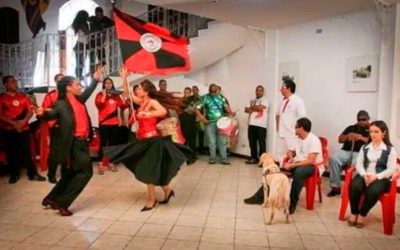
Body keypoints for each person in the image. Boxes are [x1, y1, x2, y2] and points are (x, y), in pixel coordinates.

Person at [104, 67, 192, 212]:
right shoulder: (141, 101)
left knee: (148, 170)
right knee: (149, 169)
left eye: (139, 88)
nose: (137, 91)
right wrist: (124, 78)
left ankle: (151, 200)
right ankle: (167, 191)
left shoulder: (151, 102)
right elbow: (127, 94)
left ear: (146, 91)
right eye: (137, 89)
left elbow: (163, 111)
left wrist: (148, 114)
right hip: (143, 141)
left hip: (153, 141)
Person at [36, 65, 104, 216]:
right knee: (86, 173)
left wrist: (96, 78)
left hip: (82, 142)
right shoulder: (60, 104)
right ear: (68, 88)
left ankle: (51, 198)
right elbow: (51, 114)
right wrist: (41, 114)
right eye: (77, 84)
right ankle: (63, 203)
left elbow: (89, 90)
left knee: (72, 172)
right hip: (75, 143)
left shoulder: (80, 100)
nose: (80, 87)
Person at [244, 118, 322, 215]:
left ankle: (291, 203)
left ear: (301, 128)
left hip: (311, 167)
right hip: (298, 163)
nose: (295, 130)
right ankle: (259, 197)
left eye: (296, 127)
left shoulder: (313, 140)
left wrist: (293, 165)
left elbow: (311, 160)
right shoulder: (298, 139)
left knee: (299, 173)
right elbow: (291, 151)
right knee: (273, 171)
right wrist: (290, 155)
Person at [348, 120, 397, 228]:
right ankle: (354, 212)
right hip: (365, 174)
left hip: (381, 178)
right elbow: (359, 164)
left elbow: (392, 169)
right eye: (371, 132)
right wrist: (364, 174)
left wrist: (376, 176)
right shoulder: (365, 147)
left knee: (373, 191)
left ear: (383, 133)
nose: (373, 134)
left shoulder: (390, 150)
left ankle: (362, 213)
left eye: (376, 132)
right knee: (354, 186)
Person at [0, 75, 46, 184]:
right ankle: (14, 174)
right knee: (12, 153)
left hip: (24, 128)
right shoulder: (2, 98)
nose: (15, 84)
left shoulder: (23, 96)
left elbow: (30, 111)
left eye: (15, 81)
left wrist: (23, 122)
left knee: (27, 152)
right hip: (9, 129)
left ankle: (32, 174)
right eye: (12, 82)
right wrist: (13, 124)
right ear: (6, 84)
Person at [327, 110, 370, 197]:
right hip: (346, 151)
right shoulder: (351, 128)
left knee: (356, 163)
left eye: (364, 119)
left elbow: (372, 142)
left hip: (360, 152)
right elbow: (340, 139)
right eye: (359, 119)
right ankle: (335, 187)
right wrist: (348, 135)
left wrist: (360, 137)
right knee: (333, 159)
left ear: (368, 119)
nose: (361, 121)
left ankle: (353, 189)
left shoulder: (371, 129)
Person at [195, 83, 235, 165]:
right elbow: (196, 108)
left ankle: (224, 159)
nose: (213, 93)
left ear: (217, 90)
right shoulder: (205, 97)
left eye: (214, 91)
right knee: (212, 142)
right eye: (211, 91)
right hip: (210, 123)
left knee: (222, 141)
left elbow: (226, 107)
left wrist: (231, 112)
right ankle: (212, 158)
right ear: (209, 91)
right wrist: (202, 118)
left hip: (221, 123)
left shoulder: (221, 97)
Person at [95, 77, 127, 174]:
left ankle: (112, 163)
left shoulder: (115, 96)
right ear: (103, 85)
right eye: (106, 83)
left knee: (113, 143)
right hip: (104, 122)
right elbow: (99, 105)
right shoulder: (99, 95)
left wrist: (125, 98)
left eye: (110, 83)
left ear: (112, 85)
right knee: (103, 143)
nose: (108, 85)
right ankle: (101, 164)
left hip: (114, 123)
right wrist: (104, 95)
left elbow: (123, 106)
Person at [42, 73, 68, 184]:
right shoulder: (51, 95)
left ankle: (64, 174)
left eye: (63, 80)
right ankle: (51, 175)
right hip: (55, 126)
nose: (61, 82)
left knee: (66, 151)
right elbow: (44, 109)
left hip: (67, 127)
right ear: (56, 82)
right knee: (54, 152)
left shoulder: (70, 95)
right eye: (59, 80)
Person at [275, 78, 306, 162]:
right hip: (281, 133)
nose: (280, 89)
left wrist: (298, 132)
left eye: (282, 87)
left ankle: (291, 172)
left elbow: (302, 118)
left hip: (292, 134)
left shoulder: (298, 101)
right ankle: (281, 171)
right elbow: (277, 115)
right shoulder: (282, 101)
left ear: (288, 89)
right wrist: (278, 128)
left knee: (292, 156)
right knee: (280, 155)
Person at [244, 85, 268, 164]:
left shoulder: (265, 100)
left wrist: (252, 108)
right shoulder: (252, 100)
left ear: (263, 92)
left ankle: (262, 160)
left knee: (261, 143)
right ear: (255, 91)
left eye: (260, 90)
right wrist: (254, 107)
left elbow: (260, 108)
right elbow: (246, 110)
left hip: (261, 125)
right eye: (257, 90)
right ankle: (253, 158)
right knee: (252, 142)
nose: (258, 92)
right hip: (251, 124)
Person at [88, 7, 114, 71]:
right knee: (92, 56)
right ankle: (93, 71)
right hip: (92, 39)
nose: (98, 16)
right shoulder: (92, 18)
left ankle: (103, 68)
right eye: (97, 14)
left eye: (100, 14)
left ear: (102, 14)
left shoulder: (105, 19)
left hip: (101, 40)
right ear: (95, 13)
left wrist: (105, 28)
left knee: (102, 55)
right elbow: (86, 19)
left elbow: (113, 23)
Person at [179, 87, 198, 164]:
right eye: (185, 92)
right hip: (184, 123)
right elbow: (179, 111)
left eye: (188, 92)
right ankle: (185, 156)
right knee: (185, 141)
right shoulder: (181, 101)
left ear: (190, 93)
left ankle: (192, 156)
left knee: (192, 141)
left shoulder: (193, 101)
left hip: (192, 123)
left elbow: (196, 111)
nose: (186, 93)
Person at [72, 10, 89, 81]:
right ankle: (78, 78)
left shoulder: (79, 24)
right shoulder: (82, 24)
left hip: (81, 44)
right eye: (86, 16)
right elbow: (87, 32)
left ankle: (79, 77)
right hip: (81, 45)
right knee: (80, 63)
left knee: (80, 63)